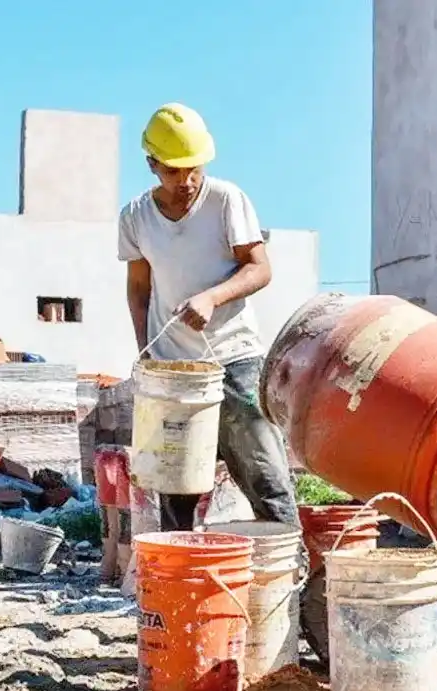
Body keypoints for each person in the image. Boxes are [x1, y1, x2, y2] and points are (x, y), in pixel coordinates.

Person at [117, 102, 300, 532]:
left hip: (233, 361)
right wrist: (147, 358)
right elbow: (139, 289)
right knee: (176, 494)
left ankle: (289, 581)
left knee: (266, 481)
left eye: (194, 169)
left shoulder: (225, 201)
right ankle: (180, 588)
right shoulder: (135, 217)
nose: (186, 180)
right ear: (152, 164)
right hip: (174, 375)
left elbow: (260, 267)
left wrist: (212, 297)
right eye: (174, 170)